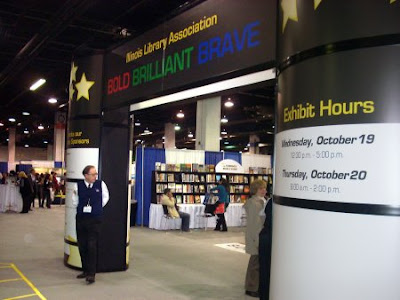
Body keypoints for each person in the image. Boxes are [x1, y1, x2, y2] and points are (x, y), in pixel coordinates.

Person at [72, 165, 109, 284]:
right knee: (82, 245)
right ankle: (85, 270)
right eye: (93, 174)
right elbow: (74, 201)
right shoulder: (77, 186)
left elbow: (105, 198)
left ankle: (91, 273)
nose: (95, 176)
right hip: (82, 219)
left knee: (92, 245)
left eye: (96, 174)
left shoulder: (100, 184)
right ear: (86, 175)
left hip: (95, 219)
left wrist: (96, 208)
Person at [243, 179, 268, 298]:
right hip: (256, 236)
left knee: (257, 262)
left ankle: (253, 286)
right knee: (255, 263)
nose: (264, 190)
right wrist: (257, 240)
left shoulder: (262, 201)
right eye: (261, 189)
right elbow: (254, 224)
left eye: (264, 188)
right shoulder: (254, 203)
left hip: (260, 236)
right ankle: (251, 287)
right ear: (255, 190)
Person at [258, 191, 273, 300]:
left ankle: (263, 294)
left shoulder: (270, 201)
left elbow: (263, 217)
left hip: (265, 235)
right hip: (270, 237)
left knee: (264, 268)